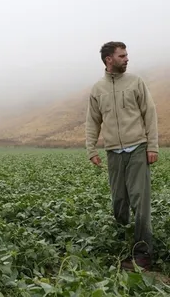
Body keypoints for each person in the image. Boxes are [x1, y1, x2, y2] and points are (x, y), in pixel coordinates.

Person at [85, 41, 158, 271]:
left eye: (127, 55)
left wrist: (152, 146)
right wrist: (91, 149)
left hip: (137, 148)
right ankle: (121, 243)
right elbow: (92, 121)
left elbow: (150, 113)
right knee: (119, 202)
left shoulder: (136, 82)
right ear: (109, 59)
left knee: (140, 201)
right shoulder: (97, 89)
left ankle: (143, 254)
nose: (127, 59)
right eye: (122, 55)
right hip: (113, 153)